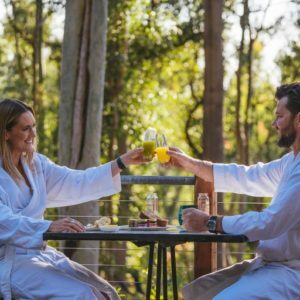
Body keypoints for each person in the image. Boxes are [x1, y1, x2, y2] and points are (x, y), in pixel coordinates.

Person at [0, 98, 149, 300]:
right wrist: (48, 227)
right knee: (83, 295)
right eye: (26, 128)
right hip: (11, 263)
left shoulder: (36, 165)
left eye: (34, 126)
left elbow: (76, 181)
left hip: (41, 253)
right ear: (6, 133)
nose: (33, 134)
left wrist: (121, 163)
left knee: (106, 293)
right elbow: (4, 221)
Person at [167, 82, 300, 299]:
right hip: (273, 267)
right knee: (200, 291)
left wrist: (211, 222)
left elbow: (269, 223)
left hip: (292, 274)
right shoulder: (290, 162)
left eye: (280, 116)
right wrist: (190, 163)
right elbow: (247, 176)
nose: (274, 124)